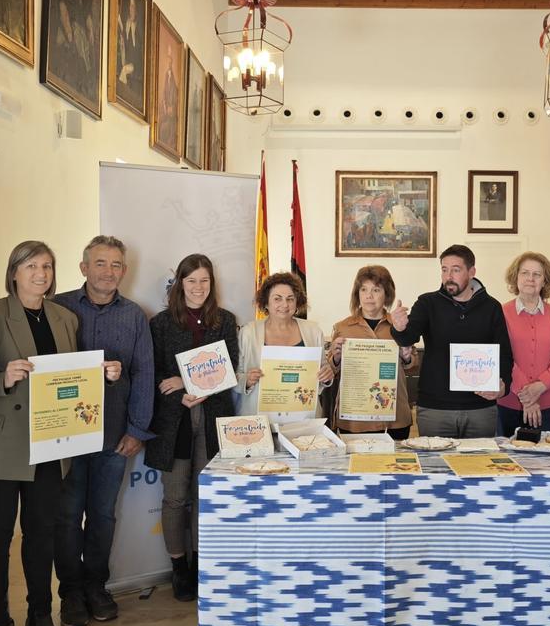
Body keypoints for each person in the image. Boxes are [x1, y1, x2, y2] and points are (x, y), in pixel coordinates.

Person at [0, 241, 120, 626]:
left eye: (48, 266)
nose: (41, 274)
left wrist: (100, 373)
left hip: (51, 445)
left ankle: (40, 616)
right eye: (31, 265)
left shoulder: (65, 318)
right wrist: (2, 378)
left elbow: (70, 377)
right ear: (14, 272)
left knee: (41, 537)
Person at [52, 236, 154, 626]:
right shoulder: (57, 307)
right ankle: (70, 591)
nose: (108, 271)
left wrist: (137, 429)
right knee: (66, 515)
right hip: (66, 436)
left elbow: (144, 373)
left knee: (102, 516)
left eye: (115, 265)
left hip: (114, 435)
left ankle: (96, 585)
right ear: (83, 268)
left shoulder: (134, 316)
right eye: (100, 263)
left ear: (123, 272)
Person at [145, 254, 240, 603]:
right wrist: (179, 392)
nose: (198, 288)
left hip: (214, 417)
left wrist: (184, 381)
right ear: (180, 284)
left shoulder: (226, 321)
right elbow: (152, 375)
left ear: (212, 284)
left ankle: (202, 563)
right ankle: (179, 567)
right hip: (175, 420)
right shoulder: (160, 324)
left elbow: (229, 368)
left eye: (204, 281)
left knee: (205, 496)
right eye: (191, 281)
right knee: (174, 498)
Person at [389, 245, 513, 438]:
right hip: (435, 409)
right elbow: (408, 337)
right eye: (444, 269)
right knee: (435, 466)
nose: (449, 276)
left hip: (480, 409)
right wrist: (398, 327)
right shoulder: (427, 303)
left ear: (471, 272)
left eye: (456, 270)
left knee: (479, 466)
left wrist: (503, 386)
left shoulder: (492, 307)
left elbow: (504, 353)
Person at [329, 265, 418, 440]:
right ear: (357, 294)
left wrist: (406, 357)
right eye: (363, 289)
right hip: (354, 418)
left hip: (395, 418)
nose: (369, 296)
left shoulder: (400, 325)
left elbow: (413, 369)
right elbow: (330, 372)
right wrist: (336, 358)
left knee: (393, 466)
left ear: (387, 294)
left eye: (376, 290)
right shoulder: (342, 327)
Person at [237, 272, 334, 418]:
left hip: (303, 418)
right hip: (259, 420)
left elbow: (322, 372)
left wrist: (327, 376)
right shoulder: (248, 332)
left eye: (290, 299)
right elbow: (235, 375)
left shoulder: (313, 331)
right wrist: (247, 380)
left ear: (297, 302)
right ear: (266, 303)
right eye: (277, 299)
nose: (284, 304)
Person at [495, 252, 550, 437]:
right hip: (508, 402)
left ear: (545, 280)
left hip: (548, 404)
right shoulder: (499, 312)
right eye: (525, 273)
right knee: (507, 463)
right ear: (516, 277)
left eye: (537, 274)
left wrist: (540, 387)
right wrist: (527, 397)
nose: (530, 278)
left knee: (543, 463)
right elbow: (500, 355)